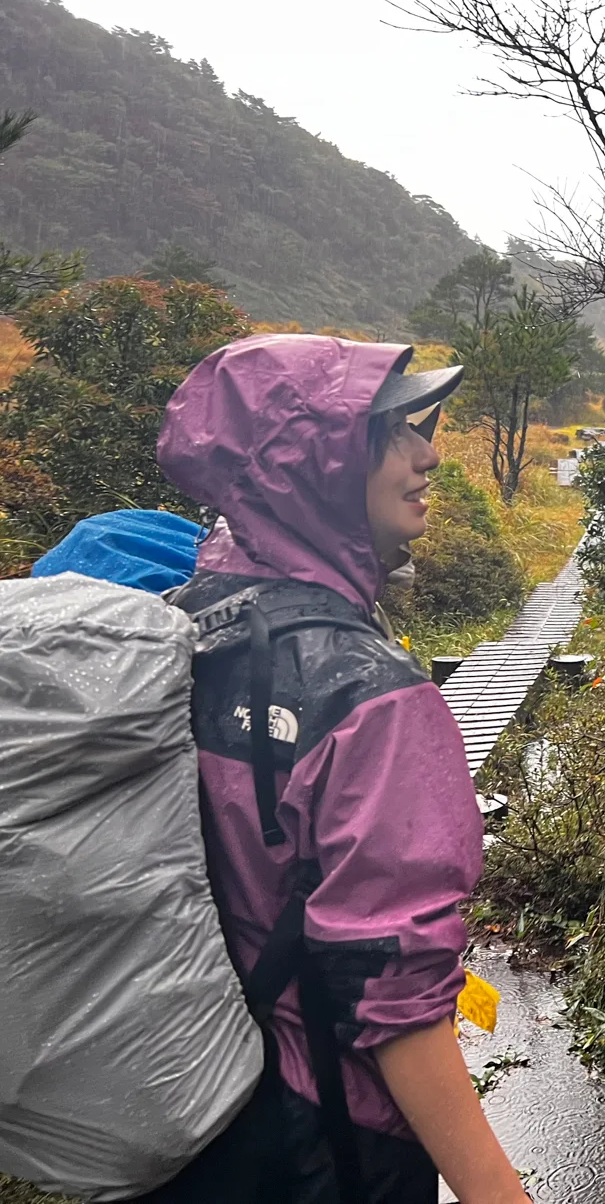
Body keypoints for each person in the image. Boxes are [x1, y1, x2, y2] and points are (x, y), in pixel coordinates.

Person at [148, 332, 530, 1204]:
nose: (429, 454)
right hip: (327, 1143)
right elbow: (394, 998)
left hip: (195, 1112)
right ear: (312, 465)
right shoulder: (373, 701)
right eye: (394, 431)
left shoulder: (181, 626)